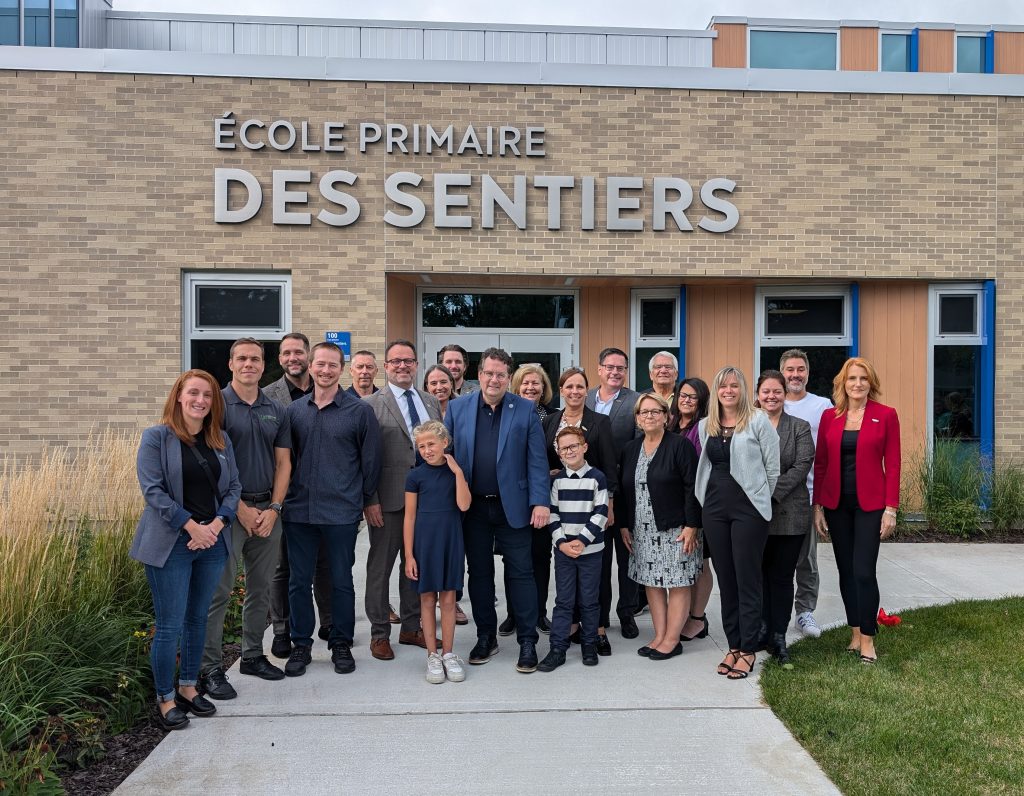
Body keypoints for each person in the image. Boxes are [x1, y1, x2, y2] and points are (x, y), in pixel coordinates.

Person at [130, 370, 241, 731]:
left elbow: (234, 488)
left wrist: (217, 524)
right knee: (169, 625)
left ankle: (189, 687)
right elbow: (153, 490)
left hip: (212, 542)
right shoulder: (156, 438)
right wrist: (191, 526)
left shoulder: (220, 438)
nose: (200, 401)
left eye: (207, 396)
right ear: (179, 396)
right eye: (193, 393)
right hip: (172, 544)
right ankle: (165, 698)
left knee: (198, 620)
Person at [444, 347, 550, 673]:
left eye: (500, 374)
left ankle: (528, 641)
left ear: (509, 377)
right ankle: (485, 635)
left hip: (513, 507)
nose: (494, 379)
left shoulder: (524, 410)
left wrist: (541, 501)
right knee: (479, 575)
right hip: (473, 508)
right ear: (480, 374)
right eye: (489, 373)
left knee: (521, 573)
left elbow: (536, 459)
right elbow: (447, 457)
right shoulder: (457, 408)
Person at [282, 342, 382, 677]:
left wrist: (367, 500)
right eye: (320, 364)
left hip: (341, 512)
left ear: (342, 369)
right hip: (299, 512)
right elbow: (285, 463)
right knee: (298, 582)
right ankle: (301, 645)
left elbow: (370, 462)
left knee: (341, 580)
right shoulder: (294, 413)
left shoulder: (359, 412)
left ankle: (341, 642)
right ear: (310, 366)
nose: (325, 370)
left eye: (332, 365)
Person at [199, 339, 290, 701]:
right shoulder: (217, 405)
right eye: (242, 358)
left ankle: (252, 655)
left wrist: (275, 509)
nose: (249, 364)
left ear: (263, 364)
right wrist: (239, 509)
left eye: (255, 358)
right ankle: (209, 669)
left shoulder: (276, 409)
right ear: (231, 363)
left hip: (268, 511)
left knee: (261, 589)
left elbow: (284, 463)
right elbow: (210, 461)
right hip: (228, 514)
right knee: (219, 592)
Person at [812, 357, 901, 665]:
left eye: (863, 378)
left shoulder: (886, 415)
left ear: (870, 383)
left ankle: (868, 638)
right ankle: (853, 632)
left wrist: (891, 509)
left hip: (871, 506)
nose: (858, 384)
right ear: (843, 384)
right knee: (846, 571)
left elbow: (894, 463)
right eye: (852, 379)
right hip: (837, 504)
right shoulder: (829, 417)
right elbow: (821, 463)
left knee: (864, 571)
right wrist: (818, 506)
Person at [695, 366, 779, 680]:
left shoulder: (758, 422)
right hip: (715, 510)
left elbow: (773, 468)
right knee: (726, 580)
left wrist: (759, 500)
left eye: (734, 385)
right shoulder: (707, 425)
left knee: (747, 579)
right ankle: (733, 645)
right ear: (716, 391)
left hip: (749, 512)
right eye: (723, 386)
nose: (728, 391)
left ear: (742, 390)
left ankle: (748, 649)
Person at [363, 340, 443, 661]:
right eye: (395, 362)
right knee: (380, 568)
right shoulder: (370, 404)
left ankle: (411, 627)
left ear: (416, 365)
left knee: (417, 567)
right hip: (388, 500)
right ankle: (379, 633)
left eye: (408, 361)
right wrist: (369, 498)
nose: (402, 366)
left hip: (427, 501)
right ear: (386, 367)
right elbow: (365, 458)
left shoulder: (430, 401)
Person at [540, 368, 618, 654]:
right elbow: (543, 459)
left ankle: (596, 629)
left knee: (595, 570)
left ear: (588, 390)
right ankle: (572, 625)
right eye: (569, 386)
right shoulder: (549, 421)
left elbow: (609, 464)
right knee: (568, 573)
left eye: (580, 386)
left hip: (593, 503)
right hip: (563, 500)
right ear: (561, 390)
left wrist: (609, 501)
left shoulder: (600, 421)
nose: (574, 391)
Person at [619, 393, 702, 661]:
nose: (650, 416)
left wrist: (692, 525)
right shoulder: (630, 449)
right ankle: (659, 635)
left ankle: (672, 639)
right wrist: (623, 525)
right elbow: (623, 491)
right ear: (637, 419)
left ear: (667, 416)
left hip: (675, 529)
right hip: (641, 530)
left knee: (677, 584)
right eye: (644, 412)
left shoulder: (680, 446)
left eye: (656, 411)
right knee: (651, 584)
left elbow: (693, 488)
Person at [264, 333, 332, 658]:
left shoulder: (326, 391)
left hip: (321, 495)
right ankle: (282, 628)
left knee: (323, 564)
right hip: (282, 495)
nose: (293, 358)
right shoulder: (268, 397)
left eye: (299, 352)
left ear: (308, 356)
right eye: (287, 353)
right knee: (283, 567)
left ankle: (329, 623)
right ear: (280, 359)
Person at [403, 421, 472, 684]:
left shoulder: (457, 472)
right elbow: (409, 517)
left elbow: (464, 506)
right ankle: (432, 655)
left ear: (445, 442)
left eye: (431, 444)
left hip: (450, 540)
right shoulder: (415, 476)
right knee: (427, 599)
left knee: (448, 599)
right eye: (421, 446)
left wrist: (457, 473)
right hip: (424, 543)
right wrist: (409, 555)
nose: (427, 450)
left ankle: (449, 654)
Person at [537, 426, 609, 672]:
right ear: (558, 453)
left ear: (584, 447)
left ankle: (589, 644)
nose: (569, 451)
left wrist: (583, 540)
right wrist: (562, 543)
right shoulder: (557, 481)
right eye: (564, 448)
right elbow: (553, 514)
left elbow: (601, 513)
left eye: (573, 446)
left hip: (591, 551)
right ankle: (558, 647)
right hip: (564, 551)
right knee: (564, 600)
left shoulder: (597, 478)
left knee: (589, 600)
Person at [754, 370, 814, 665]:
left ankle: (778, 635)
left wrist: (767, 493)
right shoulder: (747, 425)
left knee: (781, 577)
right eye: (766, 391)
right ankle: (762, 628)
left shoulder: (799, 427)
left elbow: (801, 465)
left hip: (790, 514)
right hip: (754, 516)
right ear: (757, 394)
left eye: (776, 391)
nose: (771, 396)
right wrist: (757, 497)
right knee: (760, 574)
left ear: (784, 393)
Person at [585, 347, 642, 638]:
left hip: (624, 492)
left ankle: (627, 612)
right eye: (610, 367)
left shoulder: (634, 402)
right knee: (599, 556)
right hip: (588, 492)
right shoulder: (584, 398)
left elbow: (638, 448)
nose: (615, 372)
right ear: (599, 368)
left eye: (621, 368)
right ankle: (600, 615)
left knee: (627, 554)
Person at [495, 363, 555, 636]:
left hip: (544, 497)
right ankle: (513, 614)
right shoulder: (507, 414)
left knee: (541, 557)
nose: (531, 387)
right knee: (514, 559)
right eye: (525, 383)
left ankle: (540, 612)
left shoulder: (554, 417)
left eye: (537, 383)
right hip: (514, 500)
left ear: (544, 388)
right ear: (515, 386)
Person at [780, 348, 833, 640]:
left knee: (807, 560)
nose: (795, 375)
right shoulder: (768, 402)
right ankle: (774, 610)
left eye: (800, 369)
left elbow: (827, 454)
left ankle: (804, 612)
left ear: (808, 373)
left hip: (808, 494)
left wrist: (821, 501)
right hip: (773, 496)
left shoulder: (822, 405)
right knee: (774, 558)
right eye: (790, 370)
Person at [669, 377, 715, 643]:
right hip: (675, 504)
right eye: (683, 395)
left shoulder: (703, 428)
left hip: (698, 502)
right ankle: (685, 615)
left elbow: (699, 469)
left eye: (692, 397)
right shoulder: (672, 423)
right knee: (687, 563)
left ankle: (697, 618)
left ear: (701, 401)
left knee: (701, 562)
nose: (686, 400)